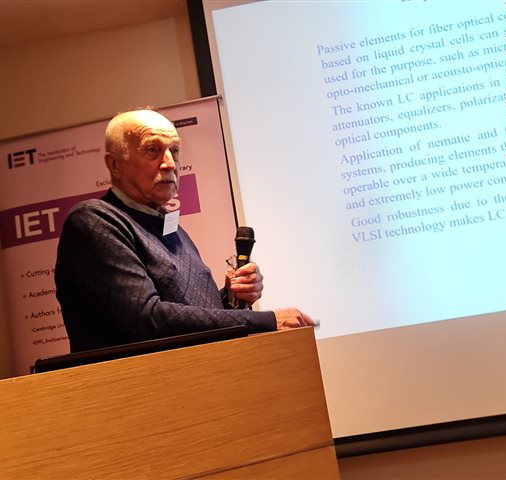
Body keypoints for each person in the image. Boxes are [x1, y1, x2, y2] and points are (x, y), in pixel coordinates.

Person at [55, 109, 314, 352]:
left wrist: (231, 297)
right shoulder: (95, 220)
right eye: (153, 150)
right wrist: (266, 321)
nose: (170, 164)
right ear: (114, 165)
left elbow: (188, 320)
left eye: (175, 151)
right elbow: (146, 320)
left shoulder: (171, 228)